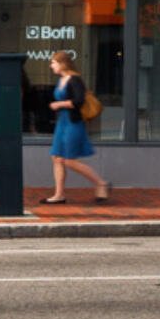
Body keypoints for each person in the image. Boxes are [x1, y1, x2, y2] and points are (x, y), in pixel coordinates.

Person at [43, 51, 109, 206]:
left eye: (53, 62)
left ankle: (101, 183)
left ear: (62, 63)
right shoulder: (61, 80)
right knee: (57, 158)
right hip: (62, 123)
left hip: (73, 123)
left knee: (68, 161)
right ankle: (59, 195)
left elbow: (79, 101)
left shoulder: (75, 79)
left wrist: (59, 104)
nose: (51, 65)